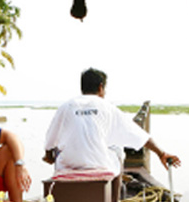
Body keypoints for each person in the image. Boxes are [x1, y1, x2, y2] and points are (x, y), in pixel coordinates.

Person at [44, 68, 181, 175]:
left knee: (62, 151)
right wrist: (161, 153)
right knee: (117, 149)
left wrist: (49, 156)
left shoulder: (66, 106)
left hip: (68, 164)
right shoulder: (107, 107)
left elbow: (50, 141)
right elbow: (138, 135)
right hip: (98, 164)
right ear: (100, 87)